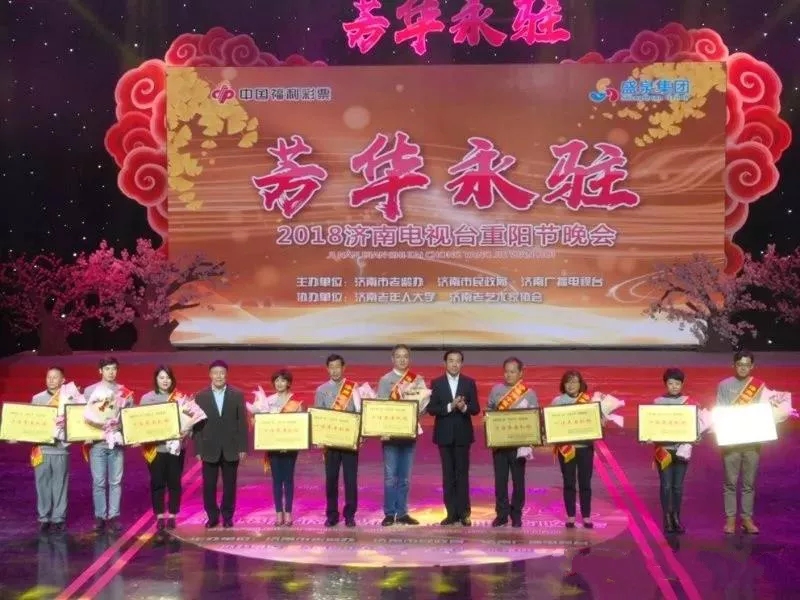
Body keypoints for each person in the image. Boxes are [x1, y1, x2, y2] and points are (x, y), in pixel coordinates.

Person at [375, 344, 427, 527]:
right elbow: (380, 407)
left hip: (409, 433)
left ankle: (403, 512)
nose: (402, 359)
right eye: (398, 356)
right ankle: (389, 513)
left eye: (405, 356)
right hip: (390, 435)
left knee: (405, 477)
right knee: (390, 477)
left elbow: (423, 407)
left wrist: (419, 406)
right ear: (393, 359)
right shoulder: (385, 380)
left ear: (409, 359)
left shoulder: (417, 380)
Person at [427, 349, 480, 526]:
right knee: (448, 475)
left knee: (462, 475)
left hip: (463, 435)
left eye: (457, 361)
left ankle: (464, 513)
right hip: (444, 435)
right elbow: (432, 409)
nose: (454, 364)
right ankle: (451, 513)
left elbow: (476, 409)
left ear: (462, 363)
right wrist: (450, 406)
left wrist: (464, 407)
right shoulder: (437, 383)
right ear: (445, 363)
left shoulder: (469, 382)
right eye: (451, 360)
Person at [192, 360, 247, 529]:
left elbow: (242, 423)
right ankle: (212, 516)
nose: (219, 376)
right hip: (209, 448)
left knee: (230, 486)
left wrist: (243, 447)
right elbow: (197, 425)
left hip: (231, 447)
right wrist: (198, 449)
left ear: (226, 375)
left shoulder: (237, 394)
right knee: (209, 486)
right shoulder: (201, 396)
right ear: (210, 375)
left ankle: (227, 516)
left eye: (222, 373)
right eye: (215, 373)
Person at [716, 350, 766, 535]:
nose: (743, 368)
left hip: (752, 441)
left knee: (749, 483)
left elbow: (765, 412)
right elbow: (720, 411)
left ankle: (746, 518)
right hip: (731, 441)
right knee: (730, 482)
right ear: (734, 365)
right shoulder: (723, 385)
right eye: (740, 364)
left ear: (752, 366)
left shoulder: (759, 387)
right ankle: (730, 519)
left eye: (747, 365)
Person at [486, 357, 539, 528]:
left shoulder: (529, 393)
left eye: (513, 372)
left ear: (520, 373)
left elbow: (534, 417)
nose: (508, 375)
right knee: (500, 481)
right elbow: (489, 410)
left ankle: (516, 514)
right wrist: (488, 419)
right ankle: (501, 514)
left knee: (518, 481)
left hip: (519, 446)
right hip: (500, 445)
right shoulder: (496, 390)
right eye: (506, 371)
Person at [84, 356, 133, 533]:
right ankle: (100, 516)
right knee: (98, 482)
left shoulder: (124, 392)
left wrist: (120, 427)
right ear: (100, 371)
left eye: (114, 369)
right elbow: (81, 415)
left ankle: (113, 516)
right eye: (107, 369)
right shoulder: (90, 391)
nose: (111, 372)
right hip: (97, 442)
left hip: (116, 442)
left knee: (115, 482)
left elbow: (129, 417)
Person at [314, 354, 361, 527]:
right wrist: (319, 438)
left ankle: (350, 515)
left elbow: (359, 413)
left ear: (343, 368)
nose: (334, 371)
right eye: (331, 367)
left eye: (337, 367)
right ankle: (332, 514)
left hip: (349, 442)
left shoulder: (353, 388)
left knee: (350, 480)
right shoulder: (321, 390)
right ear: (327, 369)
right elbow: (318, 416)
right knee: (331, 479)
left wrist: (360, 435)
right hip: (330, 443)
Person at [139, 365, 186, 534]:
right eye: (161, 377)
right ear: (156, 379)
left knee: (174, 482)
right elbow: (139, 423)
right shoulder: (147, 399)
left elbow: (189, 421)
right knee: (157, 482)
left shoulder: (180, 398)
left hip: (175, 450)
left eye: (168, 377)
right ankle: (159, 515)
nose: (165, 381)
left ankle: (172, 514)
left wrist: (185, 431)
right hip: (155, 449)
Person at [256, 369, 303, 527]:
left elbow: (300, 426)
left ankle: (288, 512)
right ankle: (278, 513)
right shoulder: (268, 402)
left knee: (288, 479)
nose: (279, 383)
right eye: (276, 381)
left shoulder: (296, 403)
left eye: (283, 380)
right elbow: (262, 422)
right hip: (274, 447)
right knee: (277, 480)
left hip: (290, 447)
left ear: (288, 383)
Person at [652, 368, 695, 534]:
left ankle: (676, 517)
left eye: (677, 383)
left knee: (677, 486)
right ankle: (667, 518)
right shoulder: (657, 402)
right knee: (666, 485)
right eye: (671, 383)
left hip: (682, 451)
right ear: (665, 384)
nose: (674, 386)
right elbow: (651, 424)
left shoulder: (689, 402)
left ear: (682, 384)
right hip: (663, 450)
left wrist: (696, 435)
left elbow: (696, 425)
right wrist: (648, 436)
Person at [551, 370, 595, 529]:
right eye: (568, 382)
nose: (571, 385)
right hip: (566, 448)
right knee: (569, 482)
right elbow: (551, 423)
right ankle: (570, 516)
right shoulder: (557, 401)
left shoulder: (588, 400)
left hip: (585, 448)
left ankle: (586, 516)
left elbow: (596, 422)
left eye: (574, 382)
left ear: (580, 384)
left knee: (585, 483)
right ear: (563, 384)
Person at [30, 367, 69, 533]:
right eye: (48, 377)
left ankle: (58, 518)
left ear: (63, 380)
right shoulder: (37, 398)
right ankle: (44, 517)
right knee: (42, 484)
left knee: (60, 484)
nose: (51, 380)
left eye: (55, 377)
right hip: (42, 449)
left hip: (61, 449)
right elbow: (31, 422)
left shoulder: (69, 399)